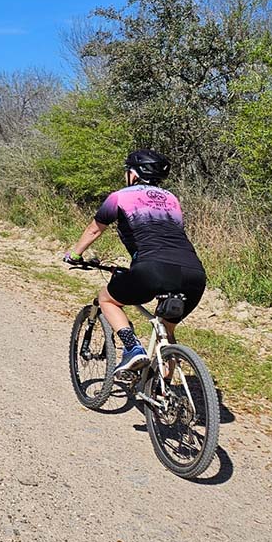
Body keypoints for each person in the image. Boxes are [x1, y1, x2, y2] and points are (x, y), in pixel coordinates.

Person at [64, 149, 207, 377]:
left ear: (133, 174)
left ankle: (132, 348)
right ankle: (162, 392)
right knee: (166, 332)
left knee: (106, 299)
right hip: (194, 274)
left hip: (152, 269)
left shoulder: (119, 196)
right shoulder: (171, 199)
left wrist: (75, 254)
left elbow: (94, 230)